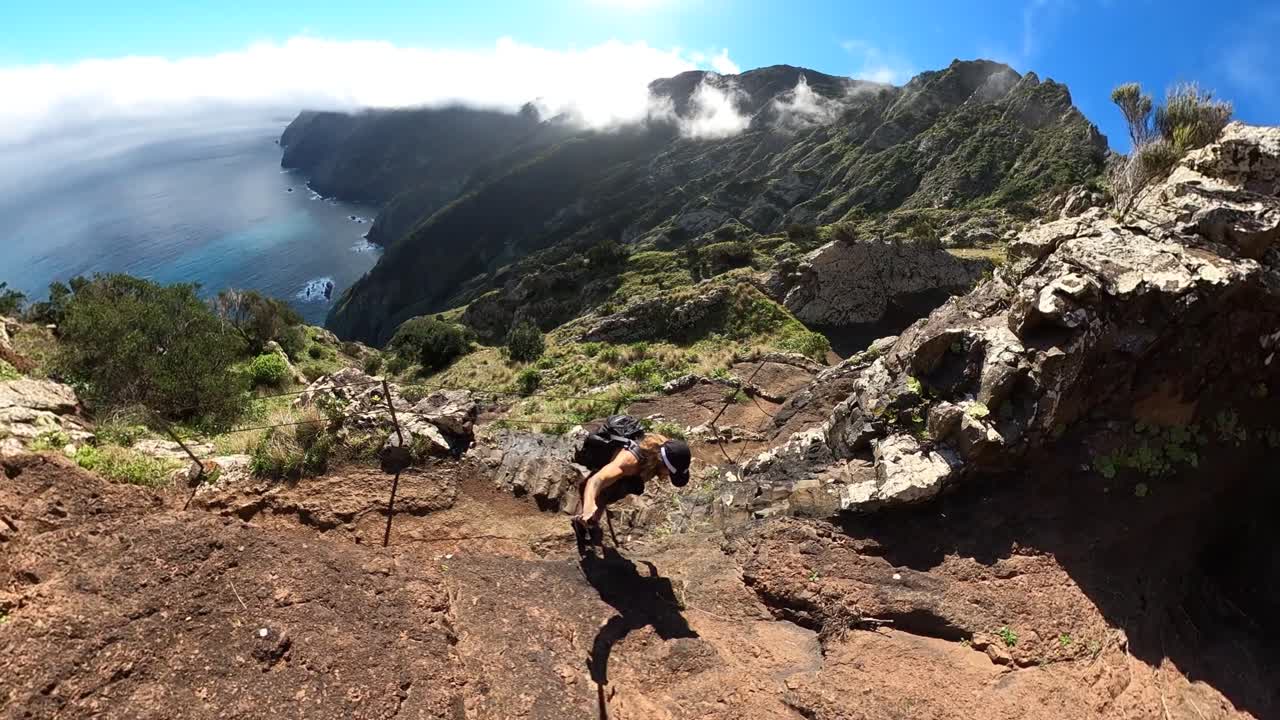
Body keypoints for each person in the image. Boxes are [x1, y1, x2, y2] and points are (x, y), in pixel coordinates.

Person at [576, 429, 691, 534]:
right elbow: (596, 480)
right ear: (662, 463)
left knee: (635, 485)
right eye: (669, 473)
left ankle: (592, 518)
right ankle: (583, 515)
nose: (668, 476)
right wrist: (589, 506)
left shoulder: (661, 451)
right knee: (620, 486)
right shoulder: (630, 462)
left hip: (618, 469)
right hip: (585, 451)